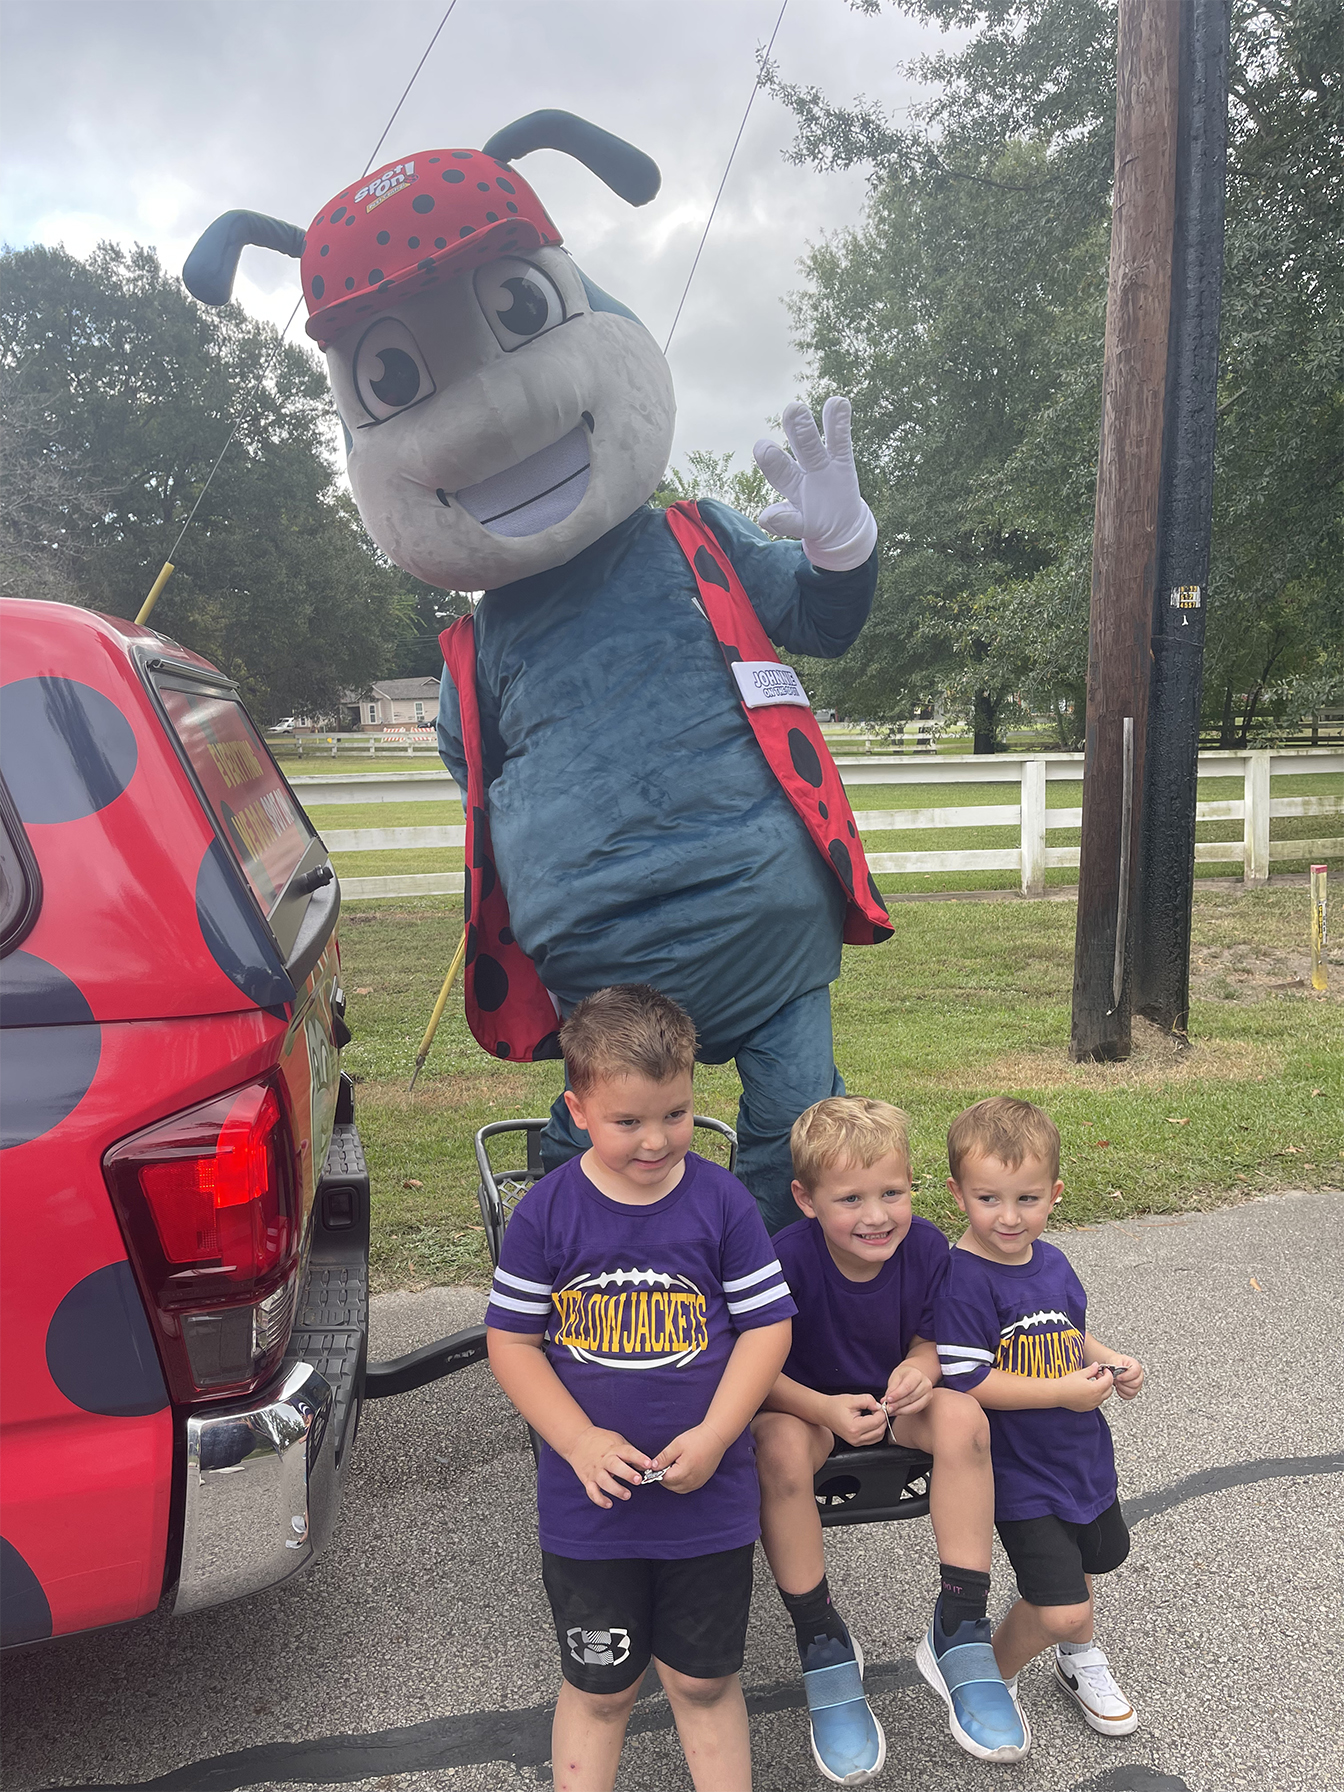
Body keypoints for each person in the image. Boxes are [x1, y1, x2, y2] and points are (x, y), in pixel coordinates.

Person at [484, 983, 795, 1792]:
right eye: (628, 1121)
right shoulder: (547, 1215)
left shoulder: (722, 1203)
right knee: (602, 1687)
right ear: (577, 1108)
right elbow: (512, 1341)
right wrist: (579, 1440)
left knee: (703, 1680)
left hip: (710, 1494)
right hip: (591, 1506)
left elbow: (767, 1328)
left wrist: (722, 1431)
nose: (656, 1141)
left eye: (676, 1114)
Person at [752, 1097, 1029, 1784]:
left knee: (965, 1418)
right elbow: (753, 1371)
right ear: (805, 1199)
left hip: (892, 1402)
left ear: (913, 1187)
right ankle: (821, 1639)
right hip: (806, 1406)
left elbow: (940, 1339)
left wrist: (919, 1366)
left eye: (892, 1193)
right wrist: (822, 1406)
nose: (876, 1216)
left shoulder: (928, 1247)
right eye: (851, 1198)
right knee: (777, 1450)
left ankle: (961, 1630)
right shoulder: (783, 1257)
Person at [935, 1096, 1146, 1740]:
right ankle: (984, 1679)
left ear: (1054, 1194)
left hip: (1081, 1456)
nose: (1008, 1217)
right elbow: (968, 1377)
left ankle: (1077, 1658)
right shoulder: (961, 1277)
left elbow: (1066, 1334)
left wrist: (1112, 1360)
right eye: (988, 1198)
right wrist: (1059, 1393)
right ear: (957, 1193)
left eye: (1026, 1199)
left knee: (1087, 1565)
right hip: (1019, 1473)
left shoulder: (1051, 1262)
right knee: (1059, 1607)